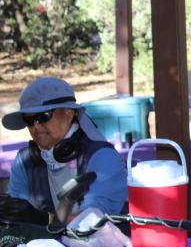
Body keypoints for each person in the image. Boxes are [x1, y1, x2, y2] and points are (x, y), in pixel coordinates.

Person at [1, 77, 128, 223]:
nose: (36, 126)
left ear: (68, 112)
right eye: (29, 120)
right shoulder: (24, 161)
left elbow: (92, 221)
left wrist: (44, 219)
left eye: (43, 116)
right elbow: (16, 219)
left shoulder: (103, 156)